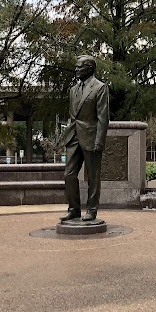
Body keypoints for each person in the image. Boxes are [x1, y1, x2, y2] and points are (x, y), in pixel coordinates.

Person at [60, 55, 110, 222]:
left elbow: (103, 118)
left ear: (89, 68)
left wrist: (99, 141)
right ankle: (74, 209)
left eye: (79, 67)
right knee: (69, 174)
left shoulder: (100, 88)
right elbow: (72, 115)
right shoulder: (73, 90)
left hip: (90, 137)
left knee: (93, 177)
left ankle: (92, 209)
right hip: (73, 136)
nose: (76, 70)